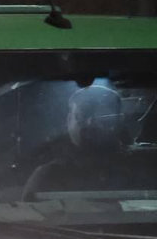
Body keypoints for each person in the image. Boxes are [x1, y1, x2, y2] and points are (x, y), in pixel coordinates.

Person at [24, 83, 157, 199]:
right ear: (68, 121)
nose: (91, 122)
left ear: (119, 121)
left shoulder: (145, 169)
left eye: (102, 116)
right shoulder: (49, 176)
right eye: (83, 115)